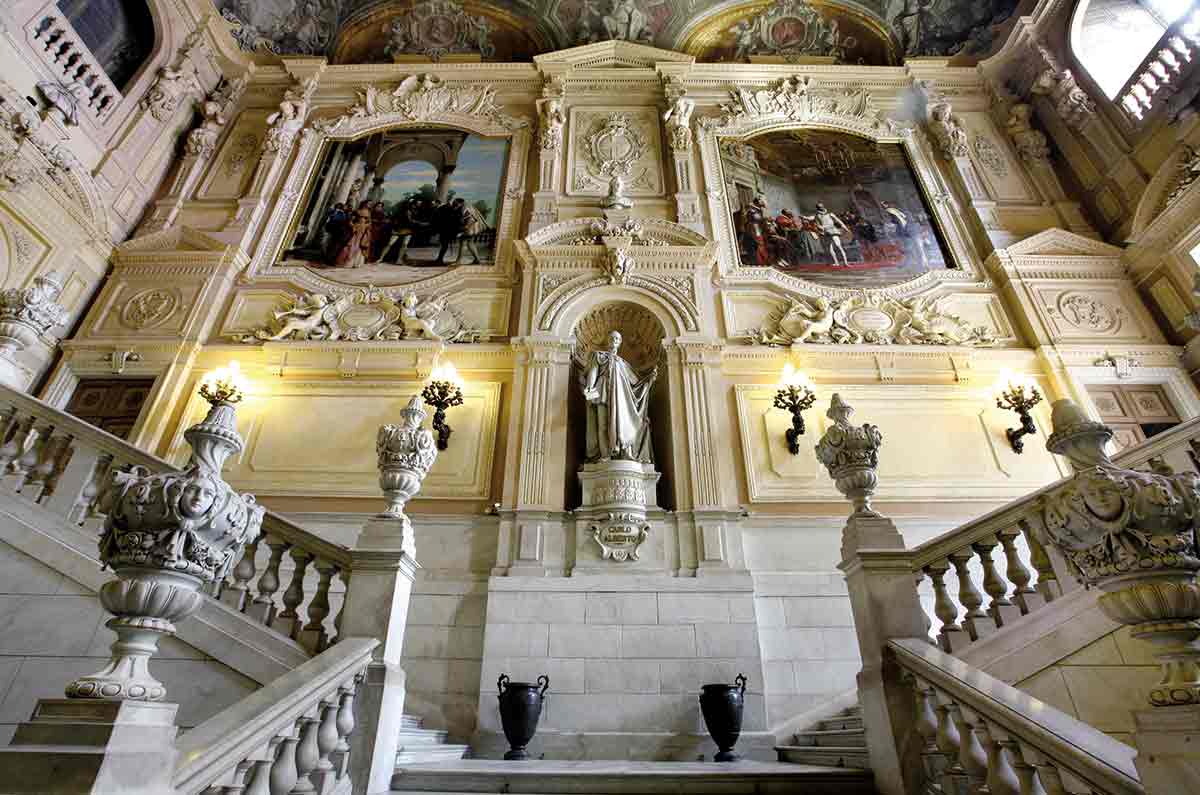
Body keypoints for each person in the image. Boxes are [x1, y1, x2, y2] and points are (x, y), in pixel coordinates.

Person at [578, 330, 657, 463]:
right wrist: (590, 391)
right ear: (607, 340)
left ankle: (623, 452)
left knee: (622, 422)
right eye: (612, 338)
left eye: (617, 339)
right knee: (602, 424)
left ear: (620, 343)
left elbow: (634, 384)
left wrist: (648, 380)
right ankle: (605, 455)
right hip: (602, 391)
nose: (614, 340)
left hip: (621, 397)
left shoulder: (622, 363)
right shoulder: (599, 356)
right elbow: (593, 373)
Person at [333, 201, 372, 268]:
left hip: (362, 230)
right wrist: (353, 226)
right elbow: (350, 221)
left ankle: (355, 262)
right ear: (364, 204)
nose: (369, 205)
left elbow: (369, 222)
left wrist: (365, 226)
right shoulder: (357, 211)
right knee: (351, 244)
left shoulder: (369, 213)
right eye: (368, 204)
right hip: (355, 229)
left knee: (360, 245)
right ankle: (345, 262)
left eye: (370, 204)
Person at [813, 202, 852, 267]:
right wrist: (820, 228)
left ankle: (845, 263)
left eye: (822, 206)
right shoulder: (817, 216)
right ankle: (836, 262)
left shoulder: (830, 214)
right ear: (818, 208)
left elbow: (839, 221)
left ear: (823, 206)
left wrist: (846, 228)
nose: (821, 208)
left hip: (833, 231)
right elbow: (817, 224)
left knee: (838, 246)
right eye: (819, 207)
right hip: (825, 232)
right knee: (830, 248)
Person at [434, 198, 467, 265]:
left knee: (445, 245)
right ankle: (439, 259)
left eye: (460, 204)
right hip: (444, 229)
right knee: (444, 245)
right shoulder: (446, 207)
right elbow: (440, 216)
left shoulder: (457, 210)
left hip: (449, 230)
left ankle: (439, 259)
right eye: (458, 203)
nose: (459, 205)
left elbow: (458, 221)